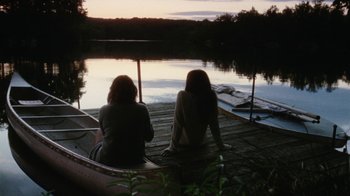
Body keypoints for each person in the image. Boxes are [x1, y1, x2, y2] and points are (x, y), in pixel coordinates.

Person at [162, 69, 231, 156]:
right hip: (200, 142)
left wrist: (172, 148)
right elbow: (214, 125)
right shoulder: (211, 95)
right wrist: (221, 146)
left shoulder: (182, 95)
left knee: (172, 126)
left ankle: (174, 145)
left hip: (184, 143)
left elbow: (178, 123)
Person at [89, 75, 154, 167]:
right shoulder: (142, 109)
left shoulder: (104, 109)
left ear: (112, 91)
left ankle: (97, 166)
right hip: (136, 158)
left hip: (109, 159)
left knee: (99, 131)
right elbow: (149, 137)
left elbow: (104, 134)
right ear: (133, 90)